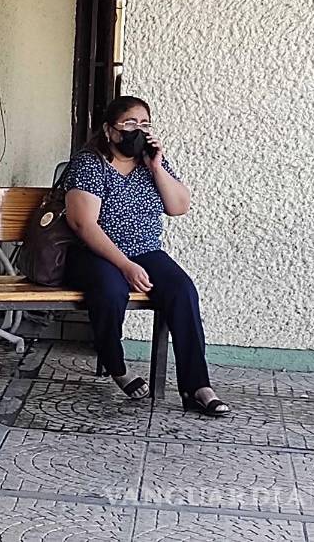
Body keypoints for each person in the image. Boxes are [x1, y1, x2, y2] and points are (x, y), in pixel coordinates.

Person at [64, 96, 230, 416]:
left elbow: (179, 206)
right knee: (111, 290)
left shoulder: (151, 163)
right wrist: (125, 265)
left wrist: (156, 167)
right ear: (109, 130)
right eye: (129, 123)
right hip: (93, 253)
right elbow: (83, 224)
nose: (136, 131)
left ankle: (197, 386)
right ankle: (116, 366)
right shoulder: (90, 163)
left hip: (146, 251)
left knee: (182, 291)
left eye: (144, 124)